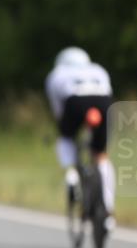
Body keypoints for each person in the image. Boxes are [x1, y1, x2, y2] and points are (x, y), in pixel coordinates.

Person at [44, 47, 115, 227]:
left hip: (75, 102)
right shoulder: (98, 69)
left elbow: (58, 109)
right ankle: (108, 211)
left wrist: (64, 127)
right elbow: (108, 92)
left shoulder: (57, 74)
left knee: (66, 138)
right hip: (104, 103)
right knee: (101, 155)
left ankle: (71, 174)